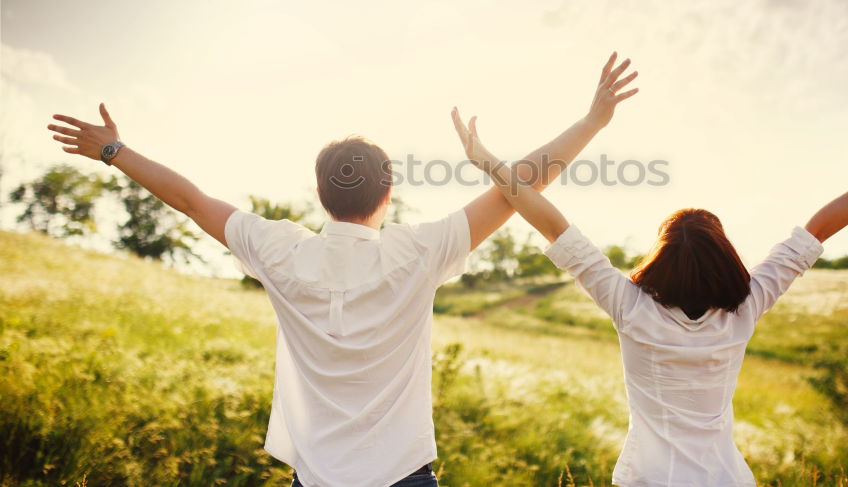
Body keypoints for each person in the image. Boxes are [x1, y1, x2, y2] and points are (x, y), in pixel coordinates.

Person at [45, 52, 640, 487]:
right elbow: (521, 187)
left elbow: (193, 200)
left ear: (320, 192)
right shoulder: (418, 250)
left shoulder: (280, 250)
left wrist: (113, 151)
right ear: (389, 193)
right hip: (405, 477)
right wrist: (591, 122)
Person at [452, 106, 848, 487]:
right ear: (726, 258)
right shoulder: (746, 307)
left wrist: (490, 164)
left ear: (660, 261)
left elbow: (551, 222)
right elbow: (816, 230)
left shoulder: (630, 307)